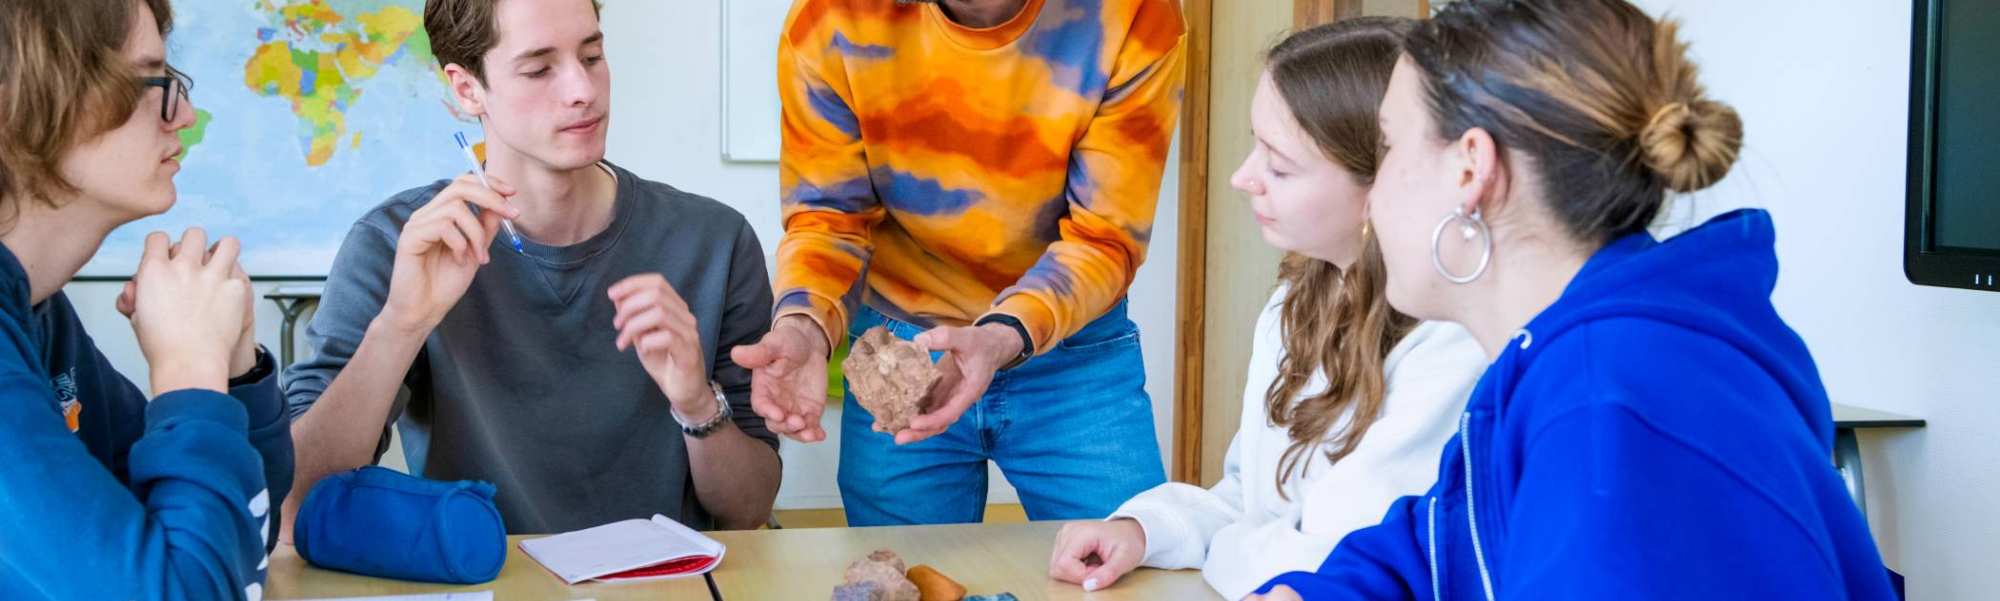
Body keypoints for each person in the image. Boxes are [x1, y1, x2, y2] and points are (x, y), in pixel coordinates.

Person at [1250, 1, 1897, 599]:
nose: (1374, 197)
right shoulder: (1553, 368)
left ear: (1471, 169)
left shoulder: (1608, 404)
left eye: (1388, 147)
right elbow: (1437, 550)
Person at [282, 0, 780, 536]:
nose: (582, 90)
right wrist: (402, 323)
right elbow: (295, 508)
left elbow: (747, 510)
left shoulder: (714, 242)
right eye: (540, 68)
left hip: (670, 587)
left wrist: (697, 403)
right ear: (467, 89)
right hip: (484, 582)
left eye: (592, 55)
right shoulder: (396, 246)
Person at [1045, 19, 1485, 598]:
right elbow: (1248, 503)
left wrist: (1236, 548)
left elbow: (1337, 558)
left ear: (1383, 184)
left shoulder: (1455, 342)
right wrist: (1143, 529)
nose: (1242, 178)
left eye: (1279, 165)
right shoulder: (1296, 303)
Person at [739, 0, 1187, 526]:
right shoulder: (829, 18)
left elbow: (1104, 236)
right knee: (899, 579)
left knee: (1126, 569)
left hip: (1073, 351)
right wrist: (804, 325)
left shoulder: (1135, 14)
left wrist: (999, 335)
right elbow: (829, 217)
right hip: (902, 348)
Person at [0, 0, 294, 598]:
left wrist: (231, 374)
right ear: (16, 102)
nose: (184, 114)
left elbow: (234, 546)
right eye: (148, 83)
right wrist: (188, 372)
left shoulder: (39, 312)